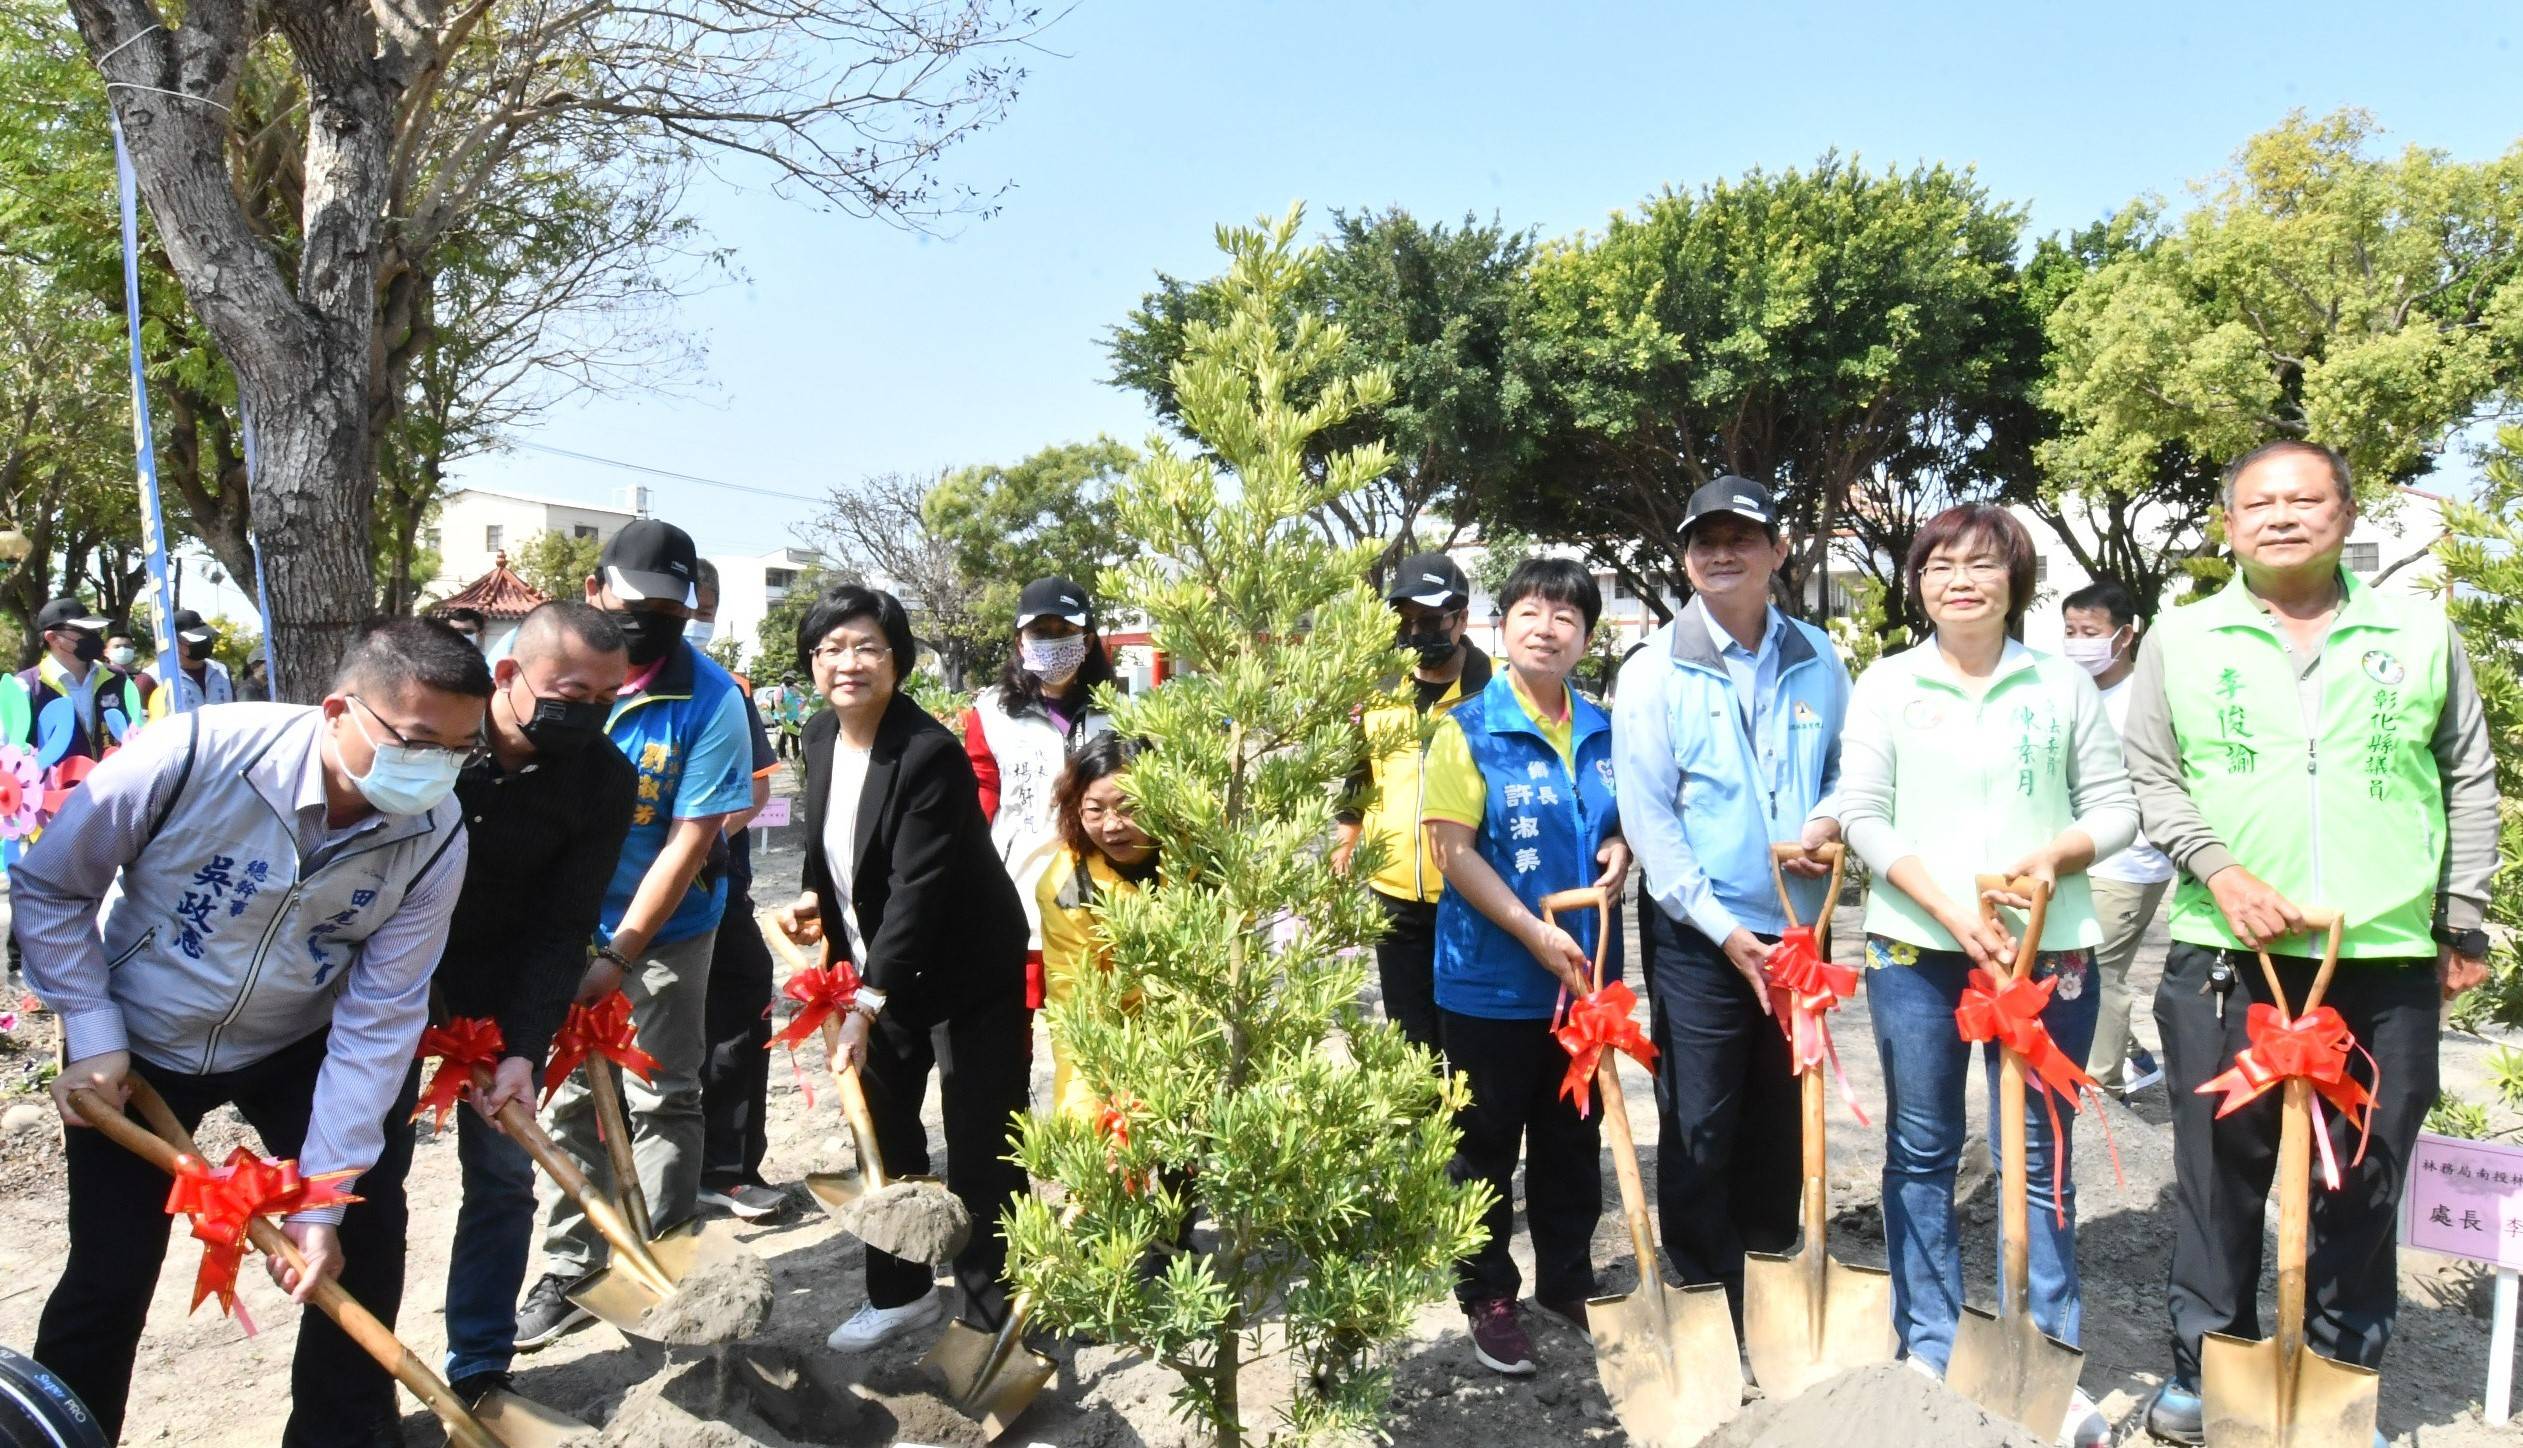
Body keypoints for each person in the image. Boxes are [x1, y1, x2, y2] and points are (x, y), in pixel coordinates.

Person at [17, 617, 485, 1446]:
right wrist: (92, 1029)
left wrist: (325, 1197)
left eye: (459, 752)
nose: (436, 771)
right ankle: (59, 1436)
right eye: (418, 742)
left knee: (361, 1232)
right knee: (111, 1270)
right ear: (338, 710)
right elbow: (52, 890)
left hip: (296, 1042)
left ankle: (341, 1436)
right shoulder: (195, 754)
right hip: (140, 1043)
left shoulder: (436, 832)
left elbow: (382, 1014)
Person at [2120, 441, 2500, 1446]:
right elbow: (2150, 773)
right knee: (2218, 1170)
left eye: (2306, 497)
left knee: (2366, 1168)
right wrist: (2219, 866)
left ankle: (2340, 1368)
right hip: (2227, 954)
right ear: (2229, 520)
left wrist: (2462, 908)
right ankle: (2209, 1365)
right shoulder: (2184, 636)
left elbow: (2465, 771)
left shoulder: (2417, 632)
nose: (2283, 515)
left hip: (2379, 953)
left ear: (2345, 511)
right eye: (2260, 501)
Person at [1833, 502, 2136, 1446]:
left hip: (2046, 952)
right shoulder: (1886, 684)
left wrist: (2055, 859)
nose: (1959, 580)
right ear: (1917, 583)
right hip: (1915, 949)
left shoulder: (2061, 685)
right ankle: (1928, 1344)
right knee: (1922, 1150)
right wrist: (1951, 910)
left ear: (2015, 580)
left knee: (2038, 1157)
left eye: (1981, 564)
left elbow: (2116, 805)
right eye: (1938, 566)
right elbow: (1862, 814)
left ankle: (2042, 1348)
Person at [375, 602, 632, 1410]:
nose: (586, 713)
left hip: (500, 998)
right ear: (511, 676)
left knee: (502, 1178)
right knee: (371, 1181)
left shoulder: (603, 778)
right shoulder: (433, 747)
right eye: (570, 692)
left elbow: (563, 925)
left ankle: (480, 1364)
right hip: (382, 990)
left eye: (604, 700)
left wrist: (522, 1046)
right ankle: (356, 1386)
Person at [1610, 476, 1850, 1322]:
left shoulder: (1819, 657)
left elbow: (1845, 772)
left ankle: (1770, 1277)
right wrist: (1718, 930)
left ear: (1777, 552)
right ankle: (1703, 1286)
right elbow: (1649, 818)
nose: (1721, 553)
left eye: (1740, 538)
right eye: (1703, 540)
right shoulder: (1650, 671)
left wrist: (1825, 823)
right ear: (1684, 557)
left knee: (1781, 1114)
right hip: (1697, 934)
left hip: (1794, 931)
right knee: (1701, 1118)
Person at [516, 519, 757, 1347]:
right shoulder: (548, 676)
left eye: (669, 606)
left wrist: (622, 952)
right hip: (559, 925)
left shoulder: (712, 696)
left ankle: (661, 1253)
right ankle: (572, 1264)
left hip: (669, 926)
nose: (651, 616)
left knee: (664, 1092)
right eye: (634, 601)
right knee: (576, 1096)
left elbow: (692, 839)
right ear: (594, 592)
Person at [776, 584, 1031, 1352]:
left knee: (982, 1141)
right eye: (830, 649)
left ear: (897, 660)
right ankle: (900, 1292)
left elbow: (919, 890)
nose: (847, 663)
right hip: (876, 973)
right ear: (811, 664)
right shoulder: (819, 736)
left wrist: (864, 1003)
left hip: (966, 975)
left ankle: (992, 1310)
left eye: (866, 648)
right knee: (881, 1136)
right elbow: (832, 846)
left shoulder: (929, 753)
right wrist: (813, 902)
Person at [1422, 557, 1629, 1378]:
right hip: (1489, 981)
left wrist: (1618, 850)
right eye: (1530, 613)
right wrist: (1528, 931)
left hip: (1580, 983)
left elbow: (1616, 823)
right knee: (1481, 1148)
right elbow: (1452, 853)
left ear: (1585, 636)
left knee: (1572, 1140)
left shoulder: (1601, 726)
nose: (1547, 629)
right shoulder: (1465, 728)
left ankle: (1565, 1282)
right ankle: (1487, 1294)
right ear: (1499, 626)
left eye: (1566, 618)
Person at [1331, 552, 1492, 1057]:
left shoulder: (1497, 693)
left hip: (1474, 897)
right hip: (1394, 899)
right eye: (1405, 621)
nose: (1416, 632)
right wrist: (1343, 850)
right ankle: (1423, 1136)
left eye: (1430, 619)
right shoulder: (1378, 694)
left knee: (1468, 1042)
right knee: (1412, 1045)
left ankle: (1470, 1137)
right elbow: (1360, 777)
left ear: (1462, 618)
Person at [959, 577, 1116, 1005]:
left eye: (1065, 631)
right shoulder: (992, 711)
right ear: (1020, 641)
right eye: (1040, 632)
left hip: (1101, 898)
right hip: (1017, 895)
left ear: (1087, 641)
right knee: (1009, 1037)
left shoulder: (1122, 711)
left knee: (1095, 1025)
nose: (1052, 641)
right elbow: (979, 801)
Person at [688, 562, 790, 1221]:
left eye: (702, 608)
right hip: (618, 907)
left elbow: (755, 791)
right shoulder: (601, 687)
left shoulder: (726, 688)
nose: (693, 620)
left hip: (716, 893)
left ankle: (725, 1170)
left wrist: (691, 848)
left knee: (735, 1019)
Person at [2058, 579, 2174, 1098]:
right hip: (2076, 856)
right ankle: (2133, 1057)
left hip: (2129, 861)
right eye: (2070, 631)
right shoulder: (2066, 689)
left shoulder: (2144, 700)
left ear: (2125, 636)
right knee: (2074, 963)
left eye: (2091, 631)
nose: (2078, 641)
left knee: (2101, 972)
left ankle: (2098, 1084)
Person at [1037, 732, 1156, 1117]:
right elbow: (1076, 1007)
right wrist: (1088, 1121)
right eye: (1095, 810)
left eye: (1128, 806)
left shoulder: (1202, 857)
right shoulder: (1066, 887)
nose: (1113, 825)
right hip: (1120, 1042)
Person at [16, 597, 143, 760]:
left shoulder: (117, 678)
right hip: (55, 784)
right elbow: (9, 750)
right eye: (83, 630)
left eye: (95, 630)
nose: (94, 636)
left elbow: (137, 729)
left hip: (115, 782)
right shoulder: (27, 687)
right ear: (52, 638)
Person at [144, 608, 234, 717]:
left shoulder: (222, 672)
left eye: (207, 636)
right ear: (174, 641)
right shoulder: (151, 678)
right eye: (197, 639)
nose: (204, 642)